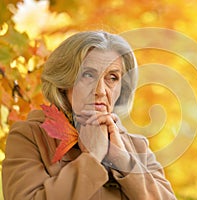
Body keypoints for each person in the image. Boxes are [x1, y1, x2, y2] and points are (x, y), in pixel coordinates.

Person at [2, 31, 176, 200]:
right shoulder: (29, 136)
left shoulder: (138, 147)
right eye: (88, 75)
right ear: (64, 82)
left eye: (112, 78)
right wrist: (92, 158)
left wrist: (122, 160)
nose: (100, 91)